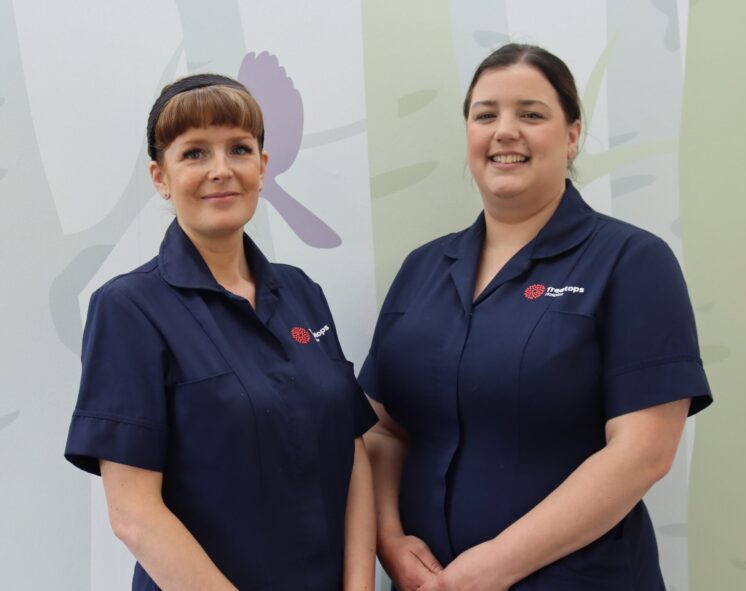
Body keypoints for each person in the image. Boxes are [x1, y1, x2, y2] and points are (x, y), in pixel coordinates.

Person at [359, 44, 712, 591]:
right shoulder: (422, 268)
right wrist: (389, 542)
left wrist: (489, 568)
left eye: (530, 114)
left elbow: (642, 453)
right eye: (485, 114)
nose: (504, 131)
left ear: (572, 134)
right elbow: (383, 430)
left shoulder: (631, 262)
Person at [64, 74, 377, 591]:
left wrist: (360, 585)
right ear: (160, 176)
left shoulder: (303, 293)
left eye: (239, 148)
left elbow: (354, 454)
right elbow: (135, 516)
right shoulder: (128, 309)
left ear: (262, 166)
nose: (221, 170)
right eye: (193, 153)